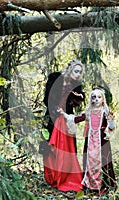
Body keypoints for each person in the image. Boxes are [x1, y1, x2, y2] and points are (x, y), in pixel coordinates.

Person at [59, 88, 117, 195]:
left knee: (104, 161)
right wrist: (64, 114)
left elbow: (111, 126)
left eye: (99, 97)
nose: (96, 100)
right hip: (90, 140)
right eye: (94, 97)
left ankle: (107, 184)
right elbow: (76, 120)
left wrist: (111, 121)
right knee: (89, 162)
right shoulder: (88, 112)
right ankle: (91, 186)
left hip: (102, 141)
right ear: (90, 100)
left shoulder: (106, 112)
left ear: (103, 99)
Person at [42, 59, 85, 192]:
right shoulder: (55, 78)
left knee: (67, 149)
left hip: (66, 120)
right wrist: (55, 109)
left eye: (80, 72)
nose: (78, 75)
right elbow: (46, 99)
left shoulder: (76, 86)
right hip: (51, 118)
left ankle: (66, 177)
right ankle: (52, 178)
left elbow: (77, 102)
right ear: (70, 69)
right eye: (76, 71)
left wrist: (78, 98)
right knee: (50, 147)